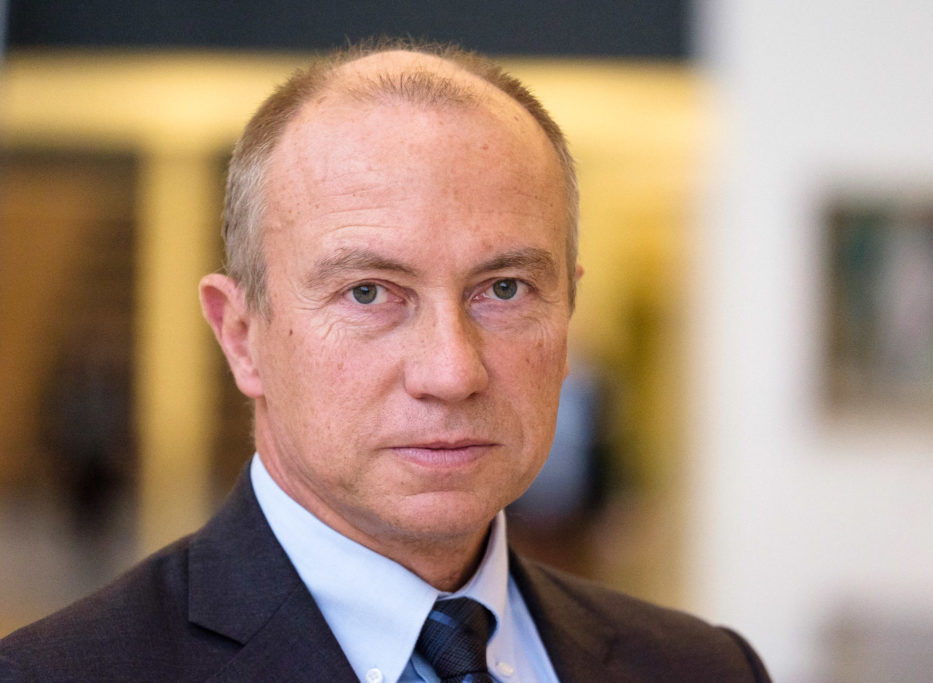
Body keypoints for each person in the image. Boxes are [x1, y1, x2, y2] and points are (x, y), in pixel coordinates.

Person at [0, 39, 771, 682]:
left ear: (566, 314)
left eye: (503, 288)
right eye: (369, 292)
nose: (452, 372)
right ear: (240, 335)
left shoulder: (704, 668)